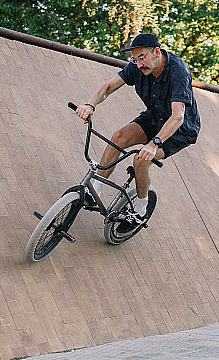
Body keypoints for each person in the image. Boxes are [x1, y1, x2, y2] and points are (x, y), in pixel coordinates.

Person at [74, 33, 200, 233]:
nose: (139, 63)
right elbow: (107, 87)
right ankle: (94, 191)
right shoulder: (136, 67)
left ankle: (140, 211)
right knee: (118, 137)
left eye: (142, 57)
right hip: (154, 116)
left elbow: (178, 116)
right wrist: (90, 104)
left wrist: (154, 143)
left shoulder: (178, 71)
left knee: (141, 160)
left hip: (179, 130)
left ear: (156, 52)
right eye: (135, 59)